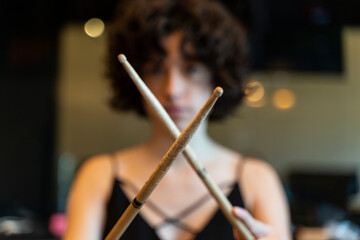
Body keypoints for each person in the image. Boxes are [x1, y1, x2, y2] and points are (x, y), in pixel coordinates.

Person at [63, 0, 291, 239]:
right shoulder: (99, 175)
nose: (173, 89)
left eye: (191, 69)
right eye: (156, 69)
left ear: (218, 74)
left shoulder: (256, 178)